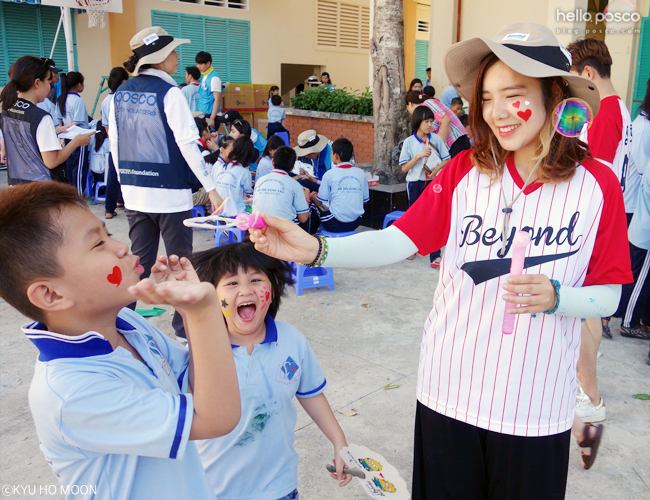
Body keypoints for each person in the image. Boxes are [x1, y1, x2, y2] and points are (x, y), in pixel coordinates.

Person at [248, 22, 632, 496]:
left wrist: (559, 299)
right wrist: (318, 248)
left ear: (556, 97)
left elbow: (608, 296)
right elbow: (398, 240)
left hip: (535, 407)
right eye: (486, 98)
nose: (496, 113)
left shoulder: (598, 185)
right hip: (448, 392)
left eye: (513, 95)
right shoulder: (465, 171)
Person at [0, 181, 241, 499]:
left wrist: (188, 311)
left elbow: (196, 382)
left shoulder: (125, 322)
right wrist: (202, 310)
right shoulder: (71, 393)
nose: (122, 246)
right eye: (98, 244)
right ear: (50, 294)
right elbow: (215, 418)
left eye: (108, 233)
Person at [190, 241, 351, 499]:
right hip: (213, 490)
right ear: (213, 297)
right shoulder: (200, 351)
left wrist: (339, 441)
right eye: (231, 283)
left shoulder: (292, 340)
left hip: (279, 488)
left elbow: (310, 393)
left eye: (255, 280)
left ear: (272, 289)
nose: (245, 290)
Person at [109, 27, 223, 338]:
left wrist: (126, 185)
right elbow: (189, 144)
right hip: (170, 195)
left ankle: (119, 325)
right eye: (172, 52)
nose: (177, 57)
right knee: (181, 263)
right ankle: (184, 329)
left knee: (139, 263)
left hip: (135, 195)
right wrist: (211, 188)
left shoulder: (119, 93)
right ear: (159, 58)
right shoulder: (170, 93)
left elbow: (115, 146)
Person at [566, 38, 641, 426]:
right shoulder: (620, 108)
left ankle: (589, 394)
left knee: (586, 310)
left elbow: (595, 171)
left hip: (595, 218)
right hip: (606, 215)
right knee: (585, 310)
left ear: (589, 75)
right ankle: (585, 390)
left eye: (575, 79)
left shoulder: (605, 112)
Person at [0, 56, 92, 186]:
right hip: (40, 189)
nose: (51, 88)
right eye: (50, 83)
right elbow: (52, 161)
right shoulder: (41, 117)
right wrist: (76, 141)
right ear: (37, 83)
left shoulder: (7, 111)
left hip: (16, 186)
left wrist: (55, 130)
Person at [617, 77, 650, 341]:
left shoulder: (639, 125)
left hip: (636, 206)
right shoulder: (643, 129)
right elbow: (643, 168)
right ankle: (623, 317)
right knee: (634, 269)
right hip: (634, 206)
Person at [399, 105, 450, 266]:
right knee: (414, 217)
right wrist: (419, 156)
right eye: (426, 121)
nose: (430, 125)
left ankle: (435, 255)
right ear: (417, 122)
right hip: (415, 184)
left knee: (434, 217)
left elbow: (447, 159)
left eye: (431, 121)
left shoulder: (435, 139)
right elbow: (404, 168)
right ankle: (411, 249)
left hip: (434, 183)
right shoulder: (408, 142)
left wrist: (437, 170)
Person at [254, 145, 319, 234]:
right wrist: (307, 198)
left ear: (272, 161)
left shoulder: (260, 181)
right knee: (310, 209)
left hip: (259, 229)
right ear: (292, 167)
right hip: (283, 232)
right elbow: (303, 218)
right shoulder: (295, 185)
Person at [311, 138, 369, 233]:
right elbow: (365, 201)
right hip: (356, 222)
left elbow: (320, 202)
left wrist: (313, 196)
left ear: (337, 155)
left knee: (313, 205)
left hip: (335, 223)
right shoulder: (361, 173)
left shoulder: (329, 174)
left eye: (332, 153)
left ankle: (312, 238)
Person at [405, 92, 471, 159]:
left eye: (407, 108)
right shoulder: (424, 109)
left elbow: (445, 120)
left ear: (410, 104)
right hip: (452, 144)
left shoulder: (427, 103)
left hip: (457, 141)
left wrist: (440, 147)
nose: (410, 112)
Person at [57, 71, 91, 194]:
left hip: (67, 138)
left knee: (70, 167)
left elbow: (59, 120)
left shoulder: (61, 99)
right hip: (79, 138)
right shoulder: (78, 101)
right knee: (80, 168)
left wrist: (63, 135)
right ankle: (79, 194)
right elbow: (77, 122)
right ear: (78, 84)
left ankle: (71, 193)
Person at [102, 66, 129, 219]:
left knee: (113, 175)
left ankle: (110, 207)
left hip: (113, 143)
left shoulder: (106, 100)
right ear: (124, 81)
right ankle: (125, 202)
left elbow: (106, 125)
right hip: (125, 143)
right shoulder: (124, 99)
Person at [214, 136, 255, 216]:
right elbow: (248, 195)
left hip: (218, 212)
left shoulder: (221, 166)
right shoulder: (244, 172)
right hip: (233, 215)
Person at [195, 51, 222, 127]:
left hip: (210, 116)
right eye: (197, 64)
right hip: (202, 114)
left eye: (201, 64)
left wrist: (212, 118)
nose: (198, 66)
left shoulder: (214, 78)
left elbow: (217, 100)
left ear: (208, 63)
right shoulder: (204, 76)